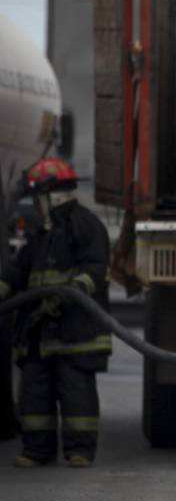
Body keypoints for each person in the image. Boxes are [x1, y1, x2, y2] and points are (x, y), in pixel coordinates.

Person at [1, 157, 111, 468]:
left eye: (38, 197)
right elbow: (18, 271)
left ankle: (80, 451)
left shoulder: (86, 226)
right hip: (39, 333)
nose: (35, 205)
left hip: (75, 332)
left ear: (52, 196)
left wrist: (70, 291)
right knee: (35, 393)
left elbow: (95, 268)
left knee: (76, 394)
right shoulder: (41, 234)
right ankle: (37, 450)